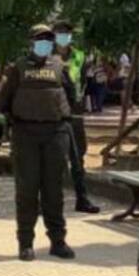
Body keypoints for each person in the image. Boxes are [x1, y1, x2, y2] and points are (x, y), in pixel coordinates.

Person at [0, 24, 77, 262]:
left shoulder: (60, 67)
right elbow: (4, 100)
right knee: (27, 190)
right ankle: (25, 243)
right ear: (31, 42)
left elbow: (71, 96)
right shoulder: (17, 68)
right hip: (26, 134)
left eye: (48, 39)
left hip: (55, 133)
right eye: (40, 39)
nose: (44, 43)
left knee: (54, 190)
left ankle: (58, 241)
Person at [52, 20, 100, 214]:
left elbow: (85, 82)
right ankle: (51, 200)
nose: (63, 35)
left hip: (75, 111)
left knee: (78, 158)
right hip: (53, 111)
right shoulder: (46, 56)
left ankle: (82, 198)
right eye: (60, 32)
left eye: (67, 32)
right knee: (53, 159)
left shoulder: (80, 56)